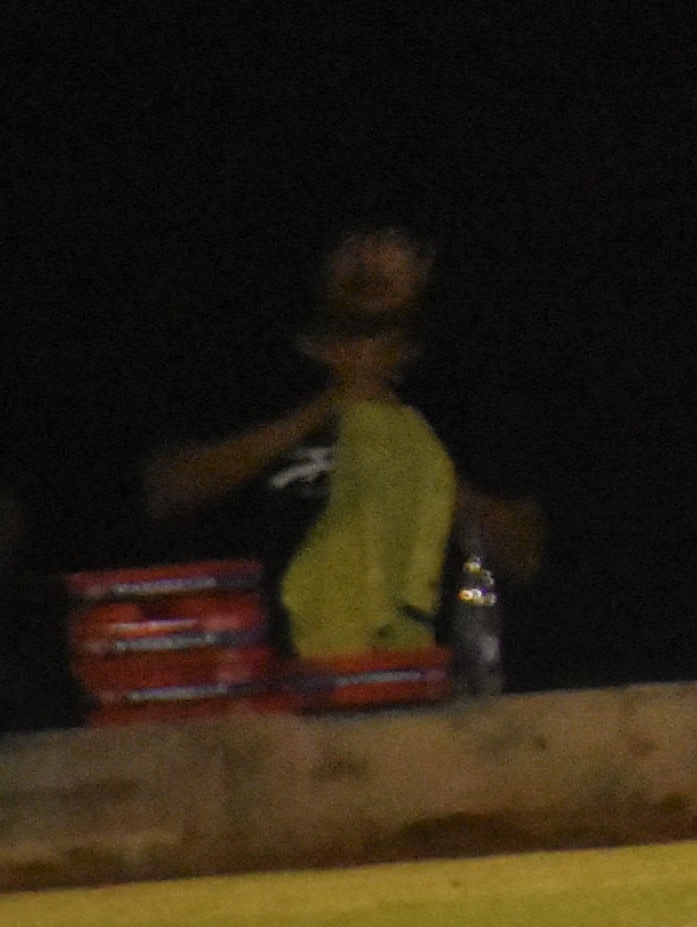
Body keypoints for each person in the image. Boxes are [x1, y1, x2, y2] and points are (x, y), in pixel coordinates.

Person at [135, 231, 528, 669]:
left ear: (426, 266)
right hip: (253, 677)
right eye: (350, 242)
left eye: (393, 243)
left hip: (418, 680)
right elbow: (168, 490)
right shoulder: (247, 369)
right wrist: (328, 405)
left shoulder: (455, 387)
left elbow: (523, 554)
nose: (369, 260)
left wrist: (412, 457)